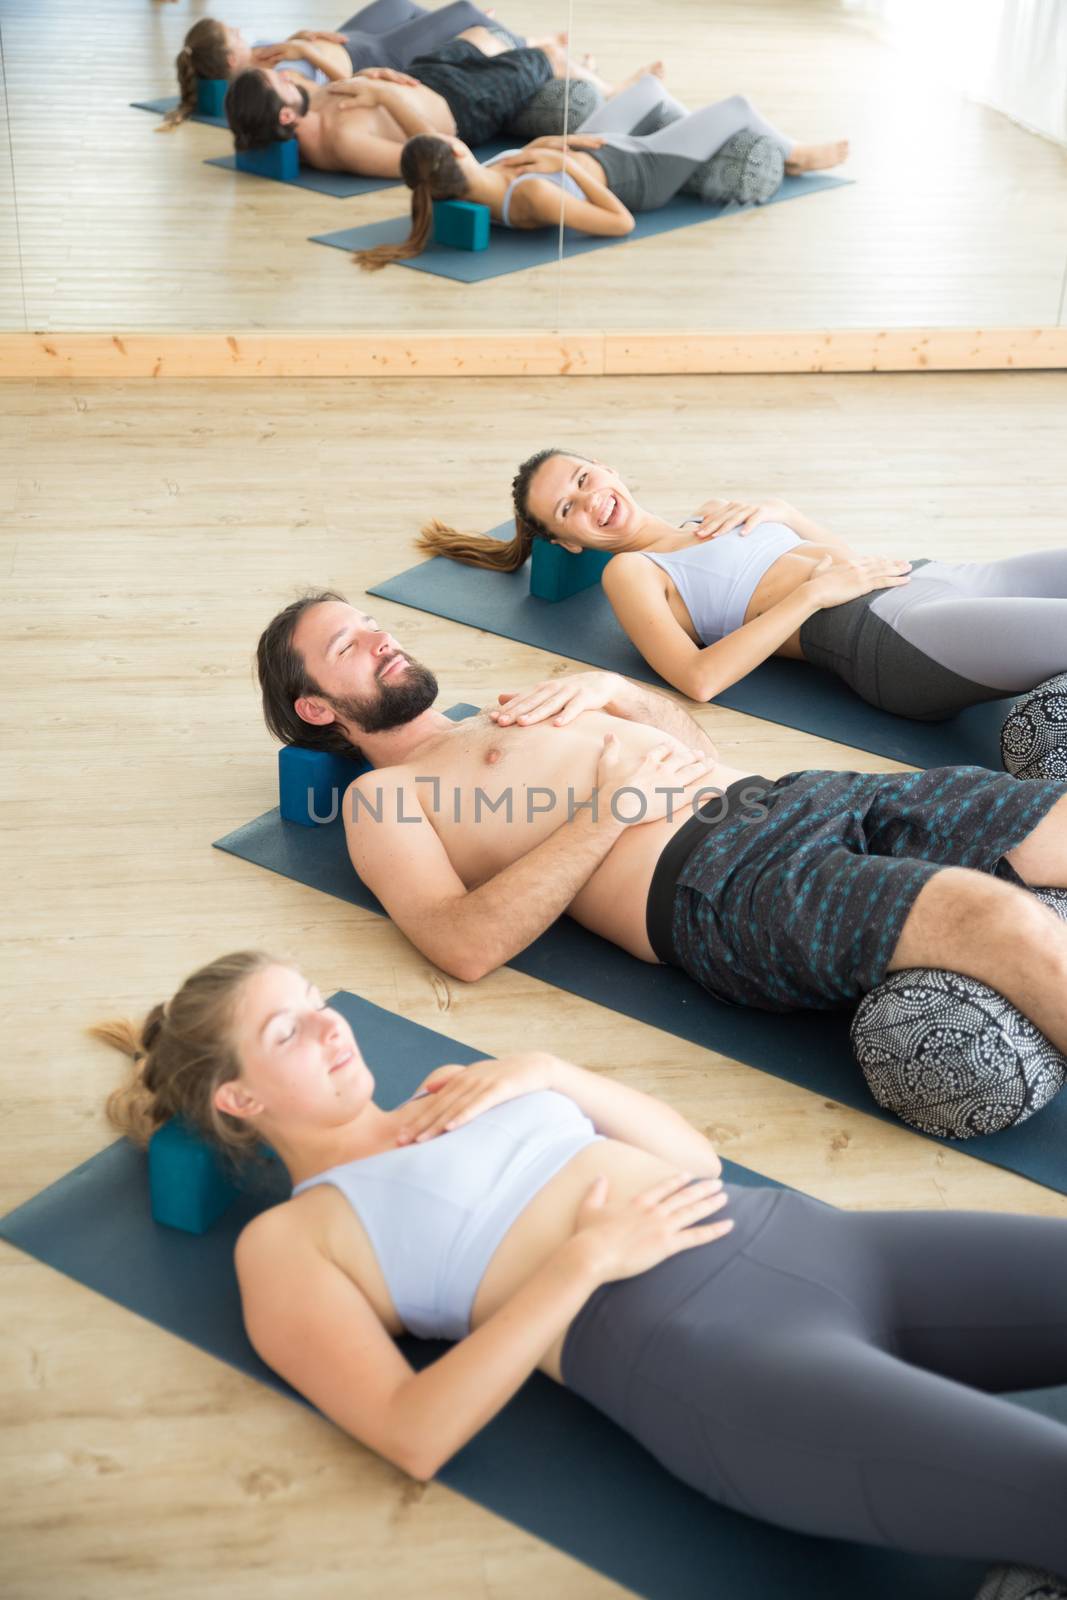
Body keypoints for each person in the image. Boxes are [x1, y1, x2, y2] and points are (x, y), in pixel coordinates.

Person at [94, 950, 1067, 1596]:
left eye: (313, 1001)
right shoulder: (292, 1240)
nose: (329, 1026)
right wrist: (579, 1264)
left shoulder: (457, 1088)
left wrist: (550, 1069)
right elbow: (410, 1432)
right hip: (722, 1364)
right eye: (286, 1032)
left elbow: (690, 1160)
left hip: (827, 1244)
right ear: (239, 1096)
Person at [252, 593, 1067, 1089]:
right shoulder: (383, 799)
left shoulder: (514, 707)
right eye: (346, 648)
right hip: (720, 886)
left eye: (371, 626)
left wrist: (620, 693)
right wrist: (612, 807)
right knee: (994, 919)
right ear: (318, 708)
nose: (381, 640)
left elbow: (695, 752)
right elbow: (461, 944)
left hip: (794, 796)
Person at [419, 446, 1067, 720]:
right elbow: (698, 681)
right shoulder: (631, 572)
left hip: (923, 579)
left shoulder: (709, 515)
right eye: (568, 509)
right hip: (888, 639)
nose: (591, 501)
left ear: (607, 467)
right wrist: (808, 595)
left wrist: (783, 511)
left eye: (584, 478)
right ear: (568, 542)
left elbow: (844, 562)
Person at [353, 73, 848, 266]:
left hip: (597, 146)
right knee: (738, 103)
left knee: (651, 88)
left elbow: (530, 153)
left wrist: (555, 146)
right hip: (641, 171)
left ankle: (691, 129)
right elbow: (620, 223)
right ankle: (796, 154)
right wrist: (573, 169)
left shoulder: (472, 174)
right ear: (455, 153)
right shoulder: (530, 197)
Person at [224, 36, 606, 179]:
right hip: (465, 104)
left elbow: (346, 83)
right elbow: (440, 153)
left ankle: (567, 62)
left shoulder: (306, 105)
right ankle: (609, 84)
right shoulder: (343, 142)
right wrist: (386, 95)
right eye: (279, 82)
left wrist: (373, 77)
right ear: (284, 115)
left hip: (423, 76)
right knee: (549, 55)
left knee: (478, 35)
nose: (288, 76)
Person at [161, 5, 525, 129]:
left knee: (398, 4)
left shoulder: (259, 54)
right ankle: (520, 45)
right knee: (464, 10)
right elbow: (344, 86)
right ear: (229, 60)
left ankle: (471, 37)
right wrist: (307, 49)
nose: (241, 31)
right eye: (233, 34)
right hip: (371, 56)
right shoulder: (269, 83)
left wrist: (301, 37)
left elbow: (297, 46)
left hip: (350, 38)